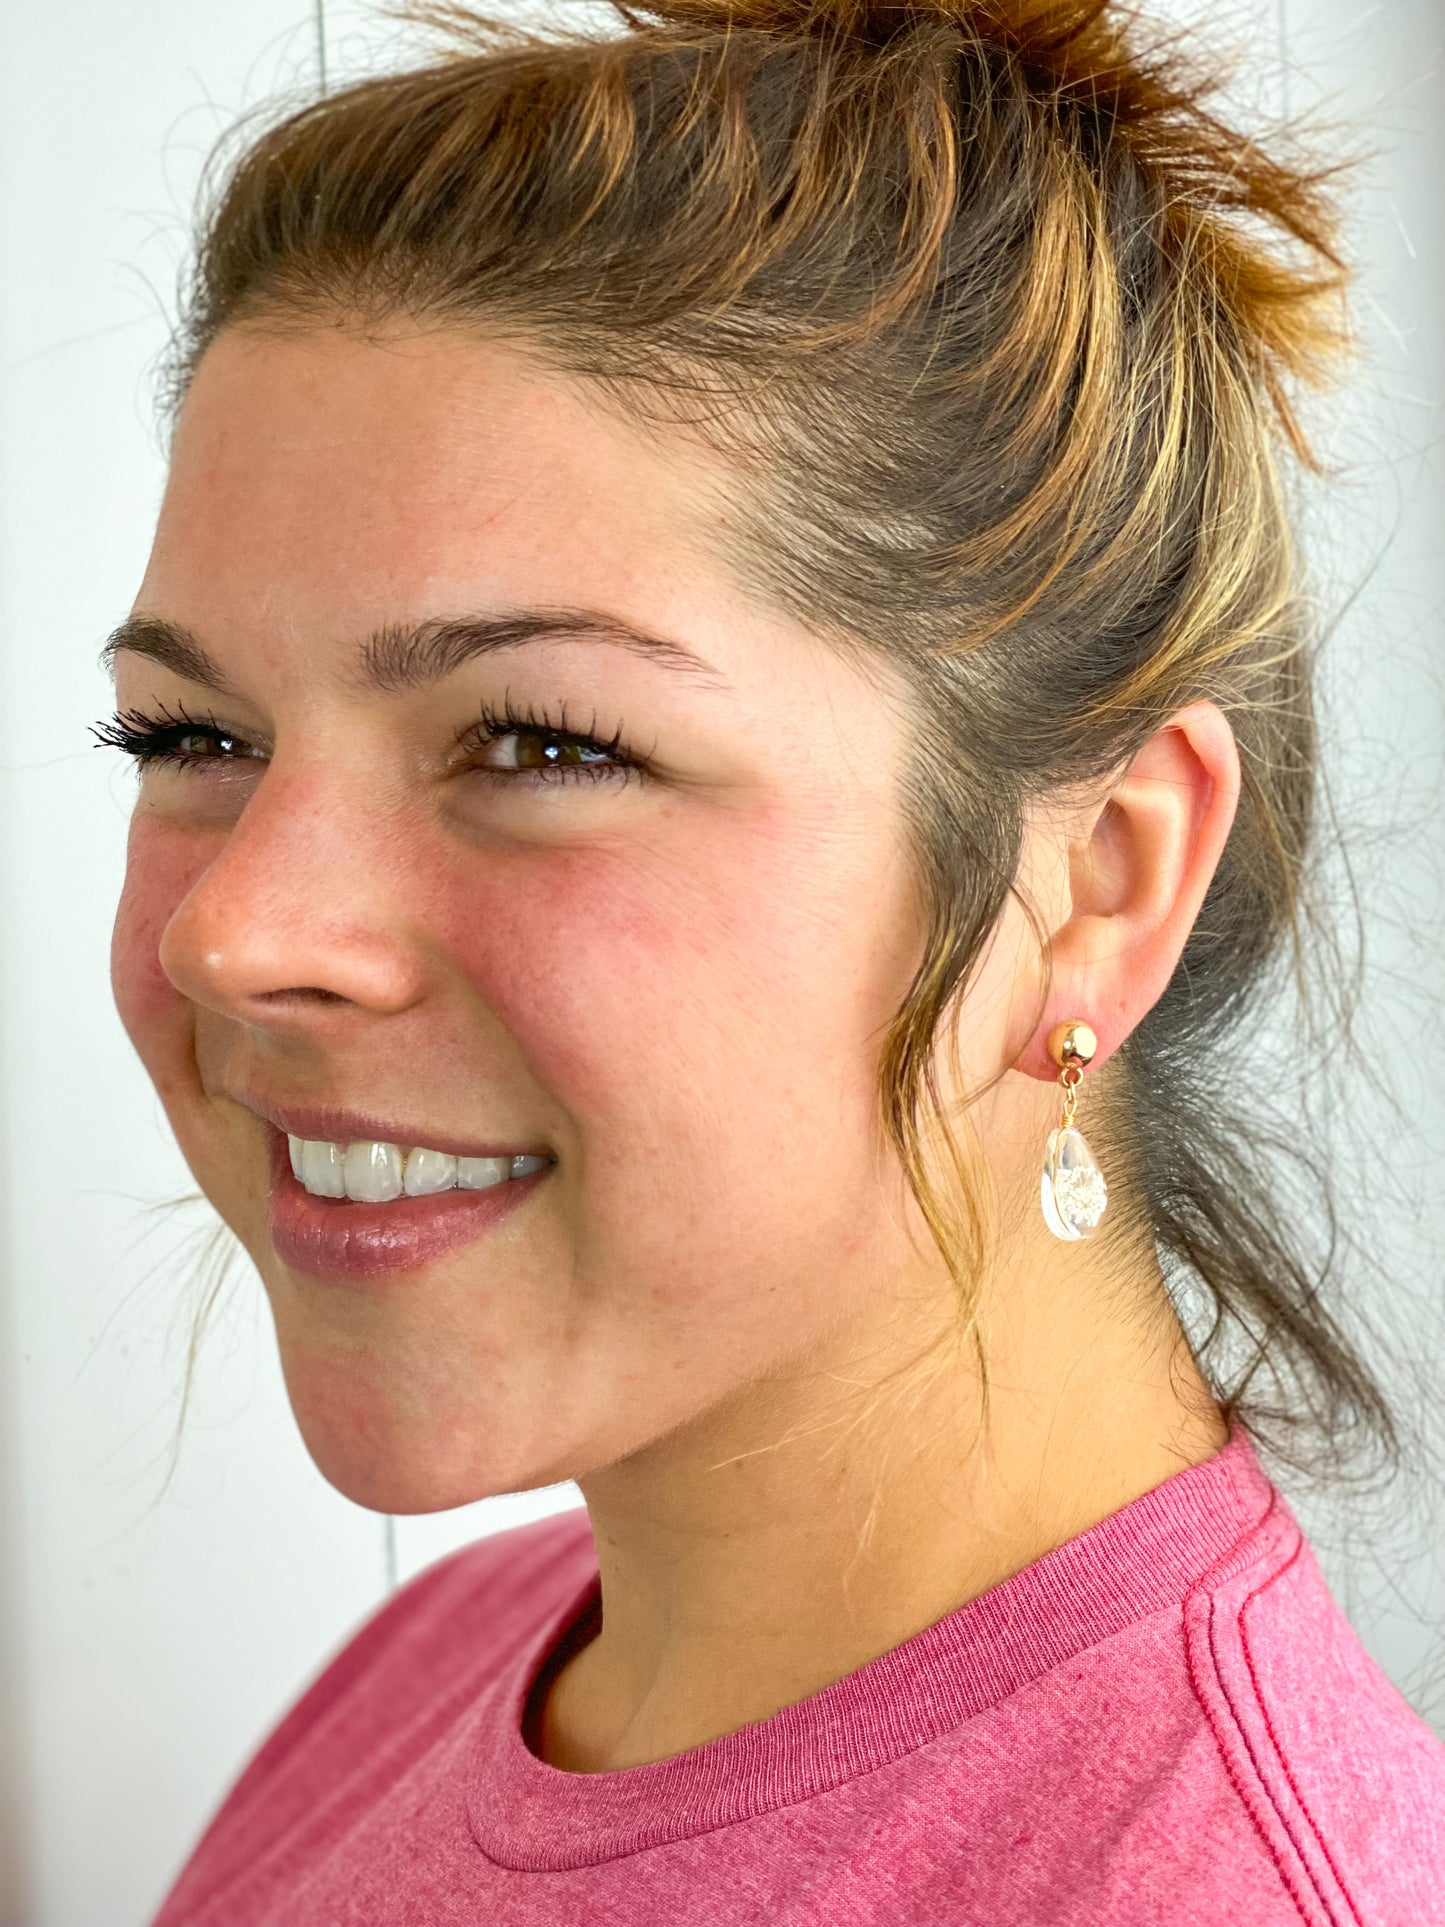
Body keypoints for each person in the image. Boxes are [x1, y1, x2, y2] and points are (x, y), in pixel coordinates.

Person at [96, 0, 1444, 1919]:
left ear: (1095, 886)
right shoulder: (454, 1664)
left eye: (543, 743)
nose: (237, 934)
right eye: (192, 740)